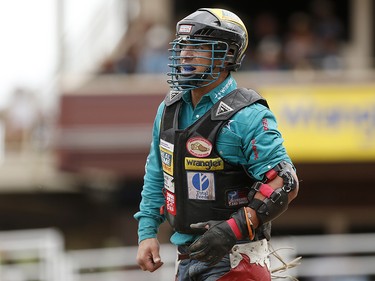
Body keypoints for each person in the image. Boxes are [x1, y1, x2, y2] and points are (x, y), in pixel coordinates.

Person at [134, 8, 299, 281]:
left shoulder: (248, 115)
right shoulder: (168, 109)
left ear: (228, 55)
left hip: (237, 259)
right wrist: (147, 233)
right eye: (183, 45)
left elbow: (284, 182)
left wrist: (230, 230)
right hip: (187, 258)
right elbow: (157, 175)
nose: (186, 54)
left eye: (198, 46)